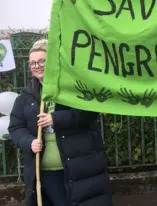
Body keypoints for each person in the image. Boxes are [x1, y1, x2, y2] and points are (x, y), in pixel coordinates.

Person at [8, 39, 113, 206]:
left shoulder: (74, 87)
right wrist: (29, 142)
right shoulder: (25, 97)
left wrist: (55, 119)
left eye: (42, 60)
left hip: (79, 170)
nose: (37, 66)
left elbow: (89, 112)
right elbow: (16, 126)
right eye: (32, 63)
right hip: (45, 173)